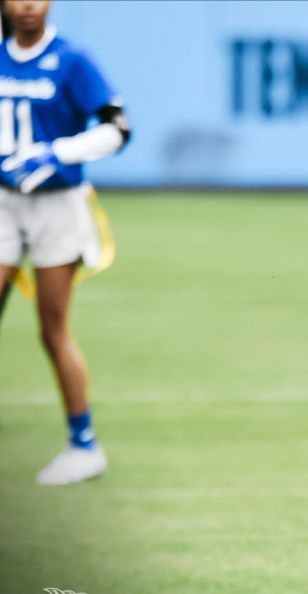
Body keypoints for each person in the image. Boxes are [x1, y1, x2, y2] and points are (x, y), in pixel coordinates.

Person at [0, 0, 130, 485]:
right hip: (3, 201)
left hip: (57, 205)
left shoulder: (72, 59)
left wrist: (55, 152)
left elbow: (118, 128)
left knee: (52, 329)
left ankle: (84, 445)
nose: (29, 6)